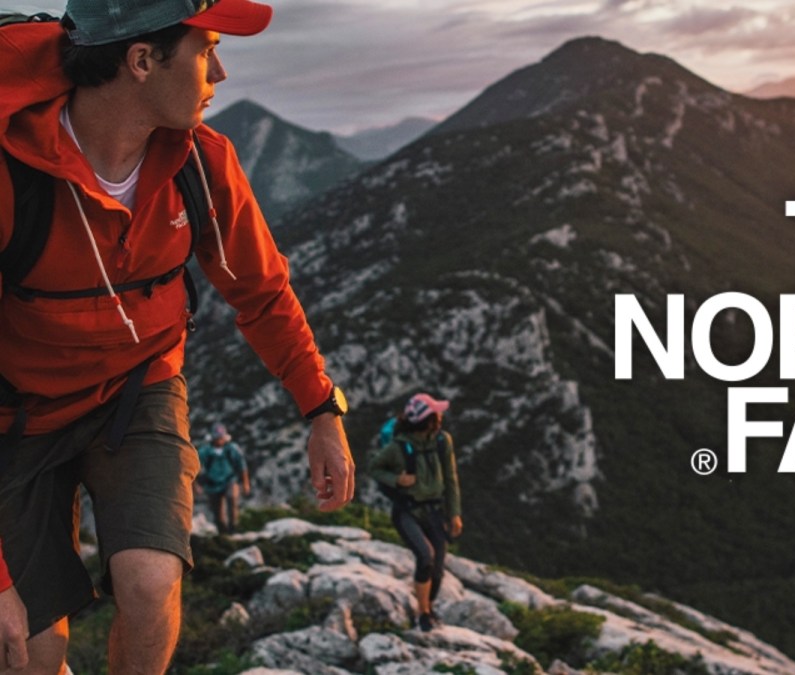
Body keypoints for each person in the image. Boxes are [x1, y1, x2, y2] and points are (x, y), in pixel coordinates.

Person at [0, 1, 356, 672]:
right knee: (29, 652)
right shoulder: (12, 177)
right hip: (17, 417)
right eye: (205, 49)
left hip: (139, 391)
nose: (219, 71)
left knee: (151, 581)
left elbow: (262, 289)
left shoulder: (201, 162)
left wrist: (321, 408)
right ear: (140, 60)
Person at [369, 393, 463, 632]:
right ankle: (422, 614)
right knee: (425, 556)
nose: (441, 417)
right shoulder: (398, 447)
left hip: (434, 511)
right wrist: (397, 479)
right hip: (407, 511)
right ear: (428, 420)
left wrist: (454, 514)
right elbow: (374, 468)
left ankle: (428, 609)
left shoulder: (443, 441)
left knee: (438, 569)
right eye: (436, 414)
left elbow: (451, 480)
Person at [197, 423, 251, 534]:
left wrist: (245, 483)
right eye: (217, 438)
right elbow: (196, 467)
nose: (219, 440)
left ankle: (234, 528)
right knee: (218, 513)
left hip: (229, 480)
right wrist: (196, 485)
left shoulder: (232, 448)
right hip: (213, 483)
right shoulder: (205, 451)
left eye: (221, 438)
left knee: (232, 498)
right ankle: (223, 532)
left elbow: (242, 465)